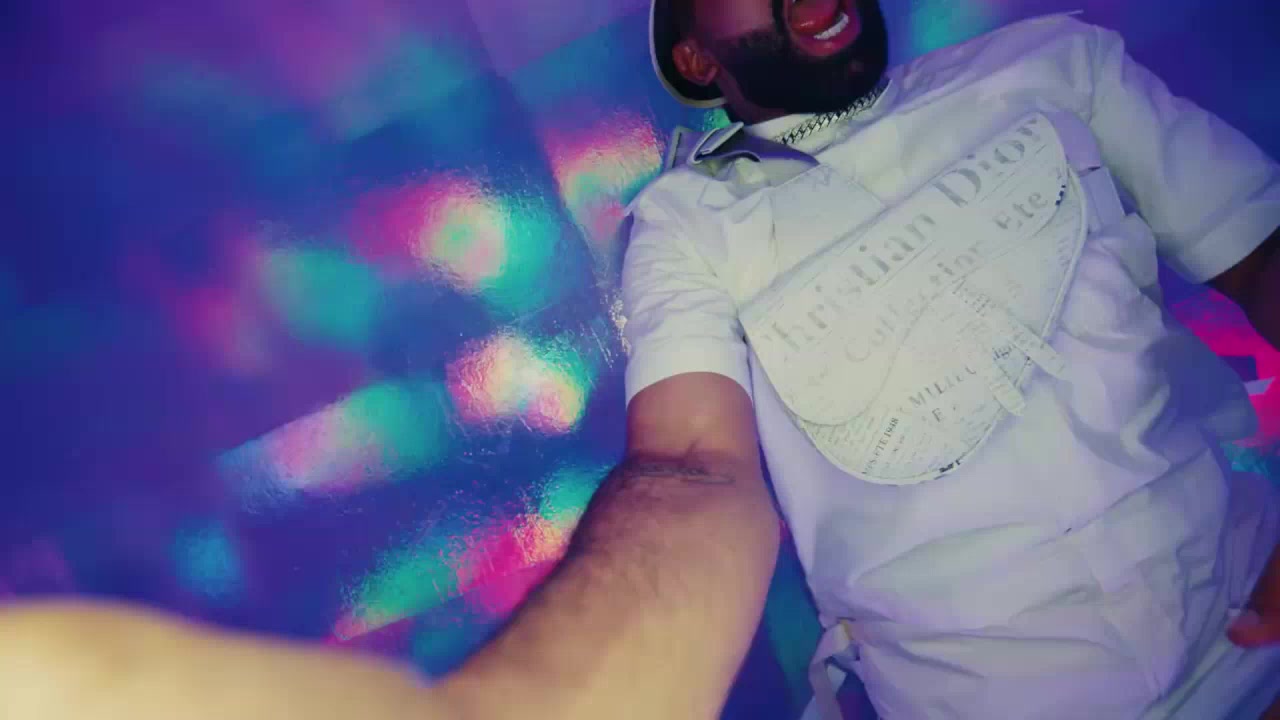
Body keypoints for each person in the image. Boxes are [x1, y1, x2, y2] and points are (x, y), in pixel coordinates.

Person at [2, 1, 1278, 719]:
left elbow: (1260, 257)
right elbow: (691, 472)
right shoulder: (686, 223)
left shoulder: (1052, 65)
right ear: (691, 55)